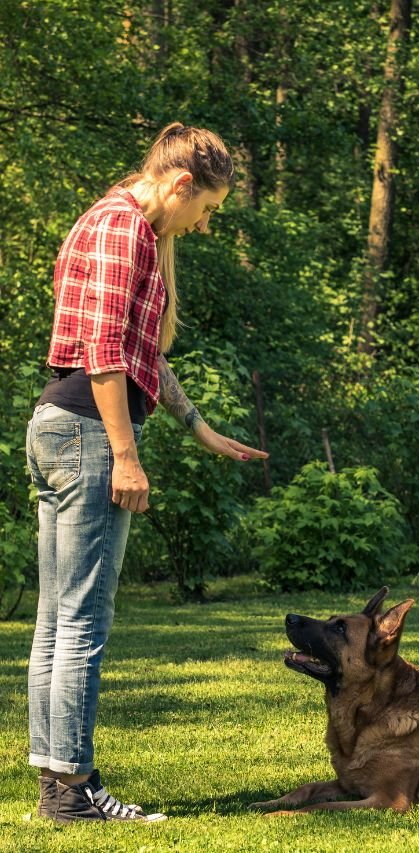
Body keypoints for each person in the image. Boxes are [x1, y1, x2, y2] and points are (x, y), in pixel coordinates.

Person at [25, 122, 268, 824]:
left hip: (68, 429)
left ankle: (58, 782)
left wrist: (199, 427)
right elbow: (103, 351)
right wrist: (126, 455)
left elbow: (141, 355)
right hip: (87, 433)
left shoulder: (124, 225)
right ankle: (72, 791)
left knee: (57, 619)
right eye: (209, 210)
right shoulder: (122, 227)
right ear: (182, 184)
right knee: (81, 621)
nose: (203, 225)